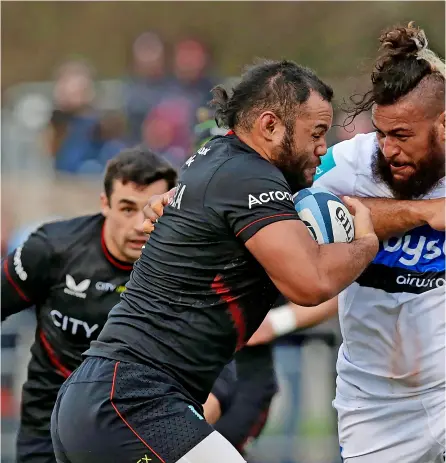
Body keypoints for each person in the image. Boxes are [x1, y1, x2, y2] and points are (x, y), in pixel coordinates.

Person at [50, 59, 379, 463]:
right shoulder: (250, 176)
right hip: (133, 400)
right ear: (270, 125)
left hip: (104, 395)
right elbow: (310, 284)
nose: (322, 147)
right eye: (315, 133)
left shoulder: (216, 156)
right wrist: (367, 242)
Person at [249, 22, 446, 463]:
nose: (388, 149)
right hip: (375, 402)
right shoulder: (345, 165)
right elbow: (256, 190)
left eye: (402, 136)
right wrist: (422, 213)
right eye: (381, 132)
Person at [1, 147, 177, 463]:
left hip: (133, 431)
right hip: (47, 429)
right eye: (127, 208)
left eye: (151, 210)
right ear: (104, 204)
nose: (140, 224)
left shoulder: (184, 266)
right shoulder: (52, 249)